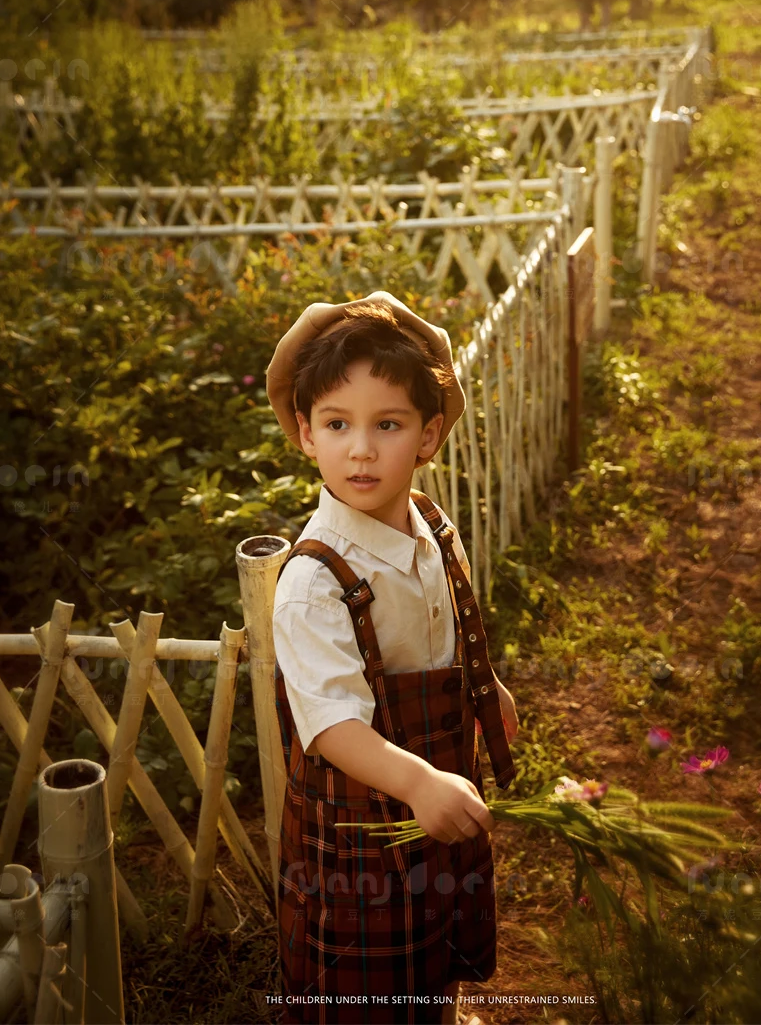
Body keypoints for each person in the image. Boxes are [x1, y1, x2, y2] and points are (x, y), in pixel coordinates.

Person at [266, 291, 519, 1025]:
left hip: (435, 775)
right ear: (305, 434)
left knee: (436, 933)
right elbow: (333, 727)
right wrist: (418, 784)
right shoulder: (315, 583)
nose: (363, 449)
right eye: (338, 425)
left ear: (430, 433)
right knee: (369, 970)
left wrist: (486, 684)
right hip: (363, 820)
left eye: (389, 424)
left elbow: (453, 619)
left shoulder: (431, 525)